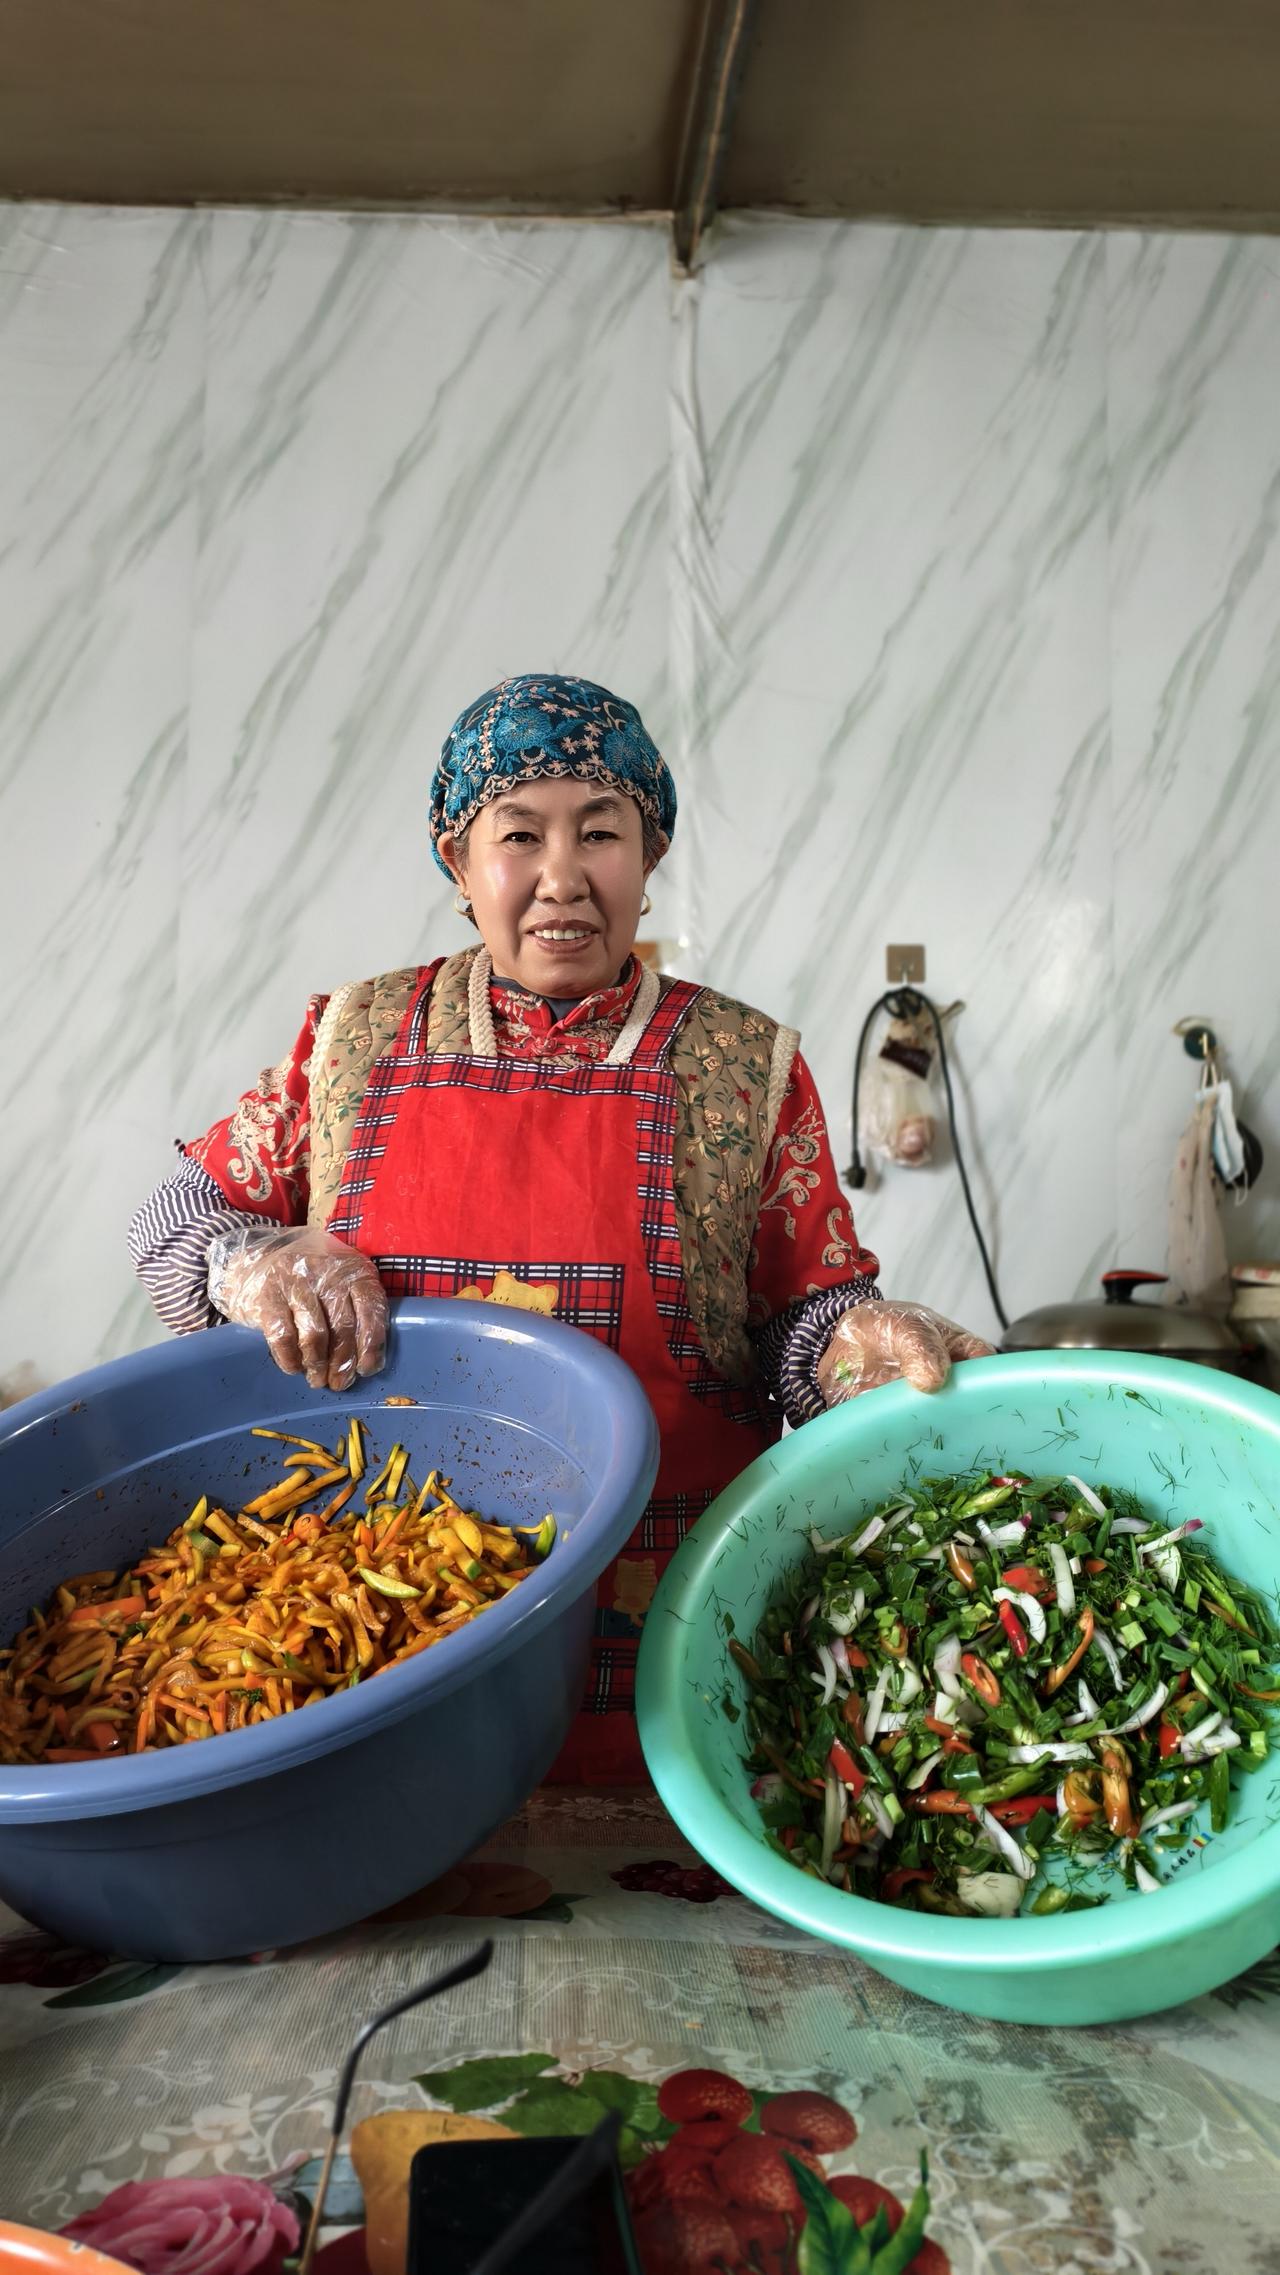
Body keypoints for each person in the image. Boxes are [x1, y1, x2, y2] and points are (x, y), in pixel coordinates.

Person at [129, 674, 990, 1780]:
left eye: (600, 831)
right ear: (458, 862)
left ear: (649, 852)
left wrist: (845, 1343)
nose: (560, 878)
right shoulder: (351, 1041)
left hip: (664, 1631)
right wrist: (250, 1257)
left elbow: (795, 1317)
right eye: (517, 834)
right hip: (360, 1628)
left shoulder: (743, 1067)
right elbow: (177, 1213)